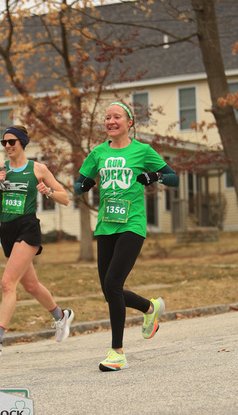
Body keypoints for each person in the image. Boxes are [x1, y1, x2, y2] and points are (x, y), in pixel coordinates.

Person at [74, 101, 179, 371]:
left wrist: (154, 175)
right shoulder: (97, 153)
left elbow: (174, 178)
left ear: (129, 122)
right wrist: (83, 185)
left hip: (132, 225)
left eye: (116, 117)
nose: (111, 121)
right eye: (107, 118)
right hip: (106, 225)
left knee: (112, 282)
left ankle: (117, 352)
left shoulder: (142, 150)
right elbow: (77, 185)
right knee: (110, 291)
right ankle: (149, 308)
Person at [0, 125, 74, 356]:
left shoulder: (37, 169)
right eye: (4, 142)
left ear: (22, 143)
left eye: (12, 142)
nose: (8, 146)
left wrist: (47, 191)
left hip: (28, 227)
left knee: (7, 282)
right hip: (7, 230)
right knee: (30, 285)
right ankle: (61, 317)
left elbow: (65, 198)